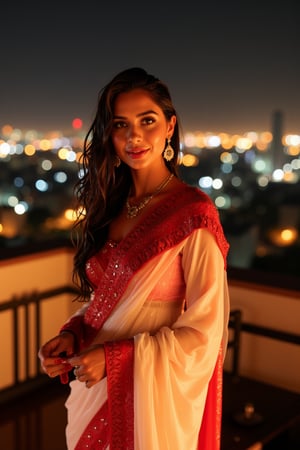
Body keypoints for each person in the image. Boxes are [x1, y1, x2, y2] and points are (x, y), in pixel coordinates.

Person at [38, 67, 230, 450]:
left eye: (148, 121)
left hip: (151, 405)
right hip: (91, 391)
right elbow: (108, 301)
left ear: (170, 126)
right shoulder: (111, 206)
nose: (134, 136)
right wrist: (72, 334)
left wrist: (116, 358)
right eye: (121, 124)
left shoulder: (193, 213)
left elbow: (205, 334)